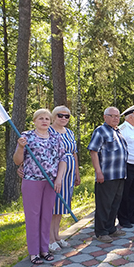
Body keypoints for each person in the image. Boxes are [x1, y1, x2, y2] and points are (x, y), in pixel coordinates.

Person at [13, 109, 67, 265]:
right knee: (33, 216)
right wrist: (21, 147)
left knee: (46, 216)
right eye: (41, 118)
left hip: (50, 182)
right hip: (32, 181)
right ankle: (34, 252)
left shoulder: (56, 137)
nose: (44, 121)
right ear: (35, 120)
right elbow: (17, 161)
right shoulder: (27, 136)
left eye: (47, 118)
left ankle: (45, 249)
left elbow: (62, 159)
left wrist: (59, 179)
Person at [88, 107, 128, 243]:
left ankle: (111, 228)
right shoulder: (100, 131)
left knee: (115, 203)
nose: (116, 118)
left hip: (119, 174)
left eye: (117, 116)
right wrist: (98, 171)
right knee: (104, 204)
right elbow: (93, 152)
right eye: (112, 116)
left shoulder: (117, 131)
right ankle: (101, 232)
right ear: (105, 117)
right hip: (106, 175)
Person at [48, 106, 80, 252]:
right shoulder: (49, 131)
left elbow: (74, 153)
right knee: (53, 205)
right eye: (60, 115)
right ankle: (49, 239)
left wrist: (77, 174)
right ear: (54, 116)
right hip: (56, 172)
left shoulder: (69, 132)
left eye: (67, 116)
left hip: (70, 172)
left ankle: (57, 235)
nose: (63, 118)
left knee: (62, 205)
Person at [117, 104, 134, 228]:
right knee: (125, 193)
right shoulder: (122, 129)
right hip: (127, 165)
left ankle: (131, 216)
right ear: (129, 117)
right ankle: (123, 219)